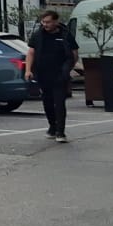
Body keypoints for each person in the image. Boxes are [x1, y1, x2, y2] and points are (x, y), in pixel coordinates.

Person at [24, 9, 79, 142]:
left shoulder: (65, 35)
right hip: (43, 74)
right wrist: (28, 70)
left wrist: (68, 68)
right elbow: (31, 53)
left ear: (56, 21)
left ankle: (61, 132)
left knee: (59, 103)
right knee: (47, 102)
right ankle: (52, 127)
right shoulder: (38, 35)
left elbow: (74, 53)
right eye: (43, 22)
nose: (45, 25)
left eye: (48, 22)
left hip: (60, 74)